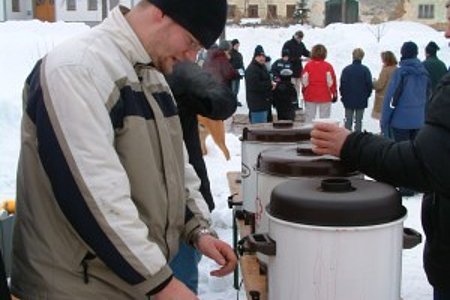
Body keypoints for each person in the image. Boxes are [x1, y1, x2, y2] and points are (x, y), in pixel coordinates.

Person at [11, 1, 237, 299]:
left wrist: (198, 229)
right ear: (161, 14)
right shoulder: (77, 69)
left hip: (126, 283)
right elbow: (92, 194)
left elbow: (175, 170)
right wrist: (160, 284)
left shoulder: (153, 78)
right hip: (74, 287)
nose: (190, 56)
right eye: (191, 42)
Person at [311, 5, 450, 298]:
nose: (447, 32)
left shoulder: (398, 72)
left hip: (400, 119)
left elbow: (424, 162)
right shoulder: (426, 72)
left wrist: (354, 143)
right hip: (418, 119)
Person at [166, 61, 237, 294]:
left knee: (181, 283)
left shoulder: (177, 73)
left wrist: (192, 76)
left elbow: (223, 104)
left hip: (187, 201)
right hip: (142, 210)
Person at [301, 44, 337, 124]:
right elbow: (331, 82)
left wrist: (304, 90)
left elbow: (304, 81)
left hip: (310, 93)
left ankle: (309, 134)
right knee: (324, 119)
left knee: (309, 118)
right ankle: (322, 135)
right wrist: (334, 93)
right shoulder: (328, 66)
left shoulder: (308, 65)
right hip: (325, 94)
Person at [339, 48, 372, 132]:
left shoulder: (346, 70)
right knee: (358, 121)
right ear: (362, 57)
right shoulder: (365, 70)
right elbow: (369, 85)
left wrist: (343, 95)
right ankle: (357, 139)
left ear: (352, 56)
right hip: (361, 99)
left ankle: (347, 138)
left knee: (348, 120)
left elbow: (342, 85)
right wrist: (367, 95)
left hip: (348, 98)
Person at [282, 30, 310, 109]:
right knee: (291, 89)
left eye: (301, 38)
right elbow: (285, 57)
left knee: (297, 89)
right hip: (290, 70)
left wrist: (313, 54)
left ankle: (295, 104)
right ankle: (289, 104)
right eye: (298, 37)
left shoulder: (301, 44)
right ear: (295, 36)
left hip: (298, 70)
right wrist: (299, 59)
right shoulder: (288, 44)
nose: (299, 39)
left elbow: (305, 52)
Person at [245, 46, 274, 124]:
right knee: (259, 131)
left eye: (263, 56)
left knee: (265, 131)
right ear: (255, 57)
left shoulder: (262, 67)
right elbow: (255, 86)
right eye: (259, 56)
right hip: (257, 106)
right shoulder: (252, 69)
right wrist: (269, 84)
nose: (262, 58)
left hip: (265, 104)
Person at [372, 51, 398, 120]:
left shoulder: (385, 70)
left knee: (383, 121)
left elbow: (380, 85)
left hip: (383, 98)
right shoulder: (397, 69)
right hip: (394, 98)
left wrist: (373, 83)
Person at [229, 39, 245, 106]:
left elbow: (241, 64)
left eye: (238, 46)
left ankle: (235, 100)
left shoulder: (239, 54)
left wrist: (243, 72)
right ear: (233, 46)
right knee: (233, 89)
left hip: (238, 74)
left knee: (237, 89)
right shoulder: (230, 54)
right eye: (236, 45)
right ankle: (232, 101)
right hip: (232, 74)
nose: (237, 47)